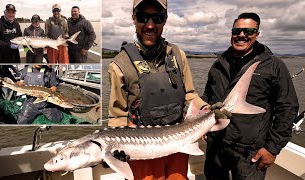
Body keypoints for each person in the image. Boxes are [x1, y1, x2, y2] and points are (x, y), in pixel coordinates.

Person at [108, 0, 209, 179]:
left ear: (165, 20)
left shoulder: (178, 55)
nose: (150, 25)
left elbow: (190, 94)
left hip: (179, 140)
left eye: (157, 18)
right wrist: (115, 150)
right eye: (143, 17)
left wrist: (206, 110)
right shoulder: (119, 65)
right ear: (133, 18)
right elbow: (118, 115)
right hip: (141, 150)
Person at [202, 12, 299, 180]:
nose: (241, 35)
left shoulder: (273, 66)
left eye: (248, 31)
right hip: (216, 146)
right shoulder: (218, 64)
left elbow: (287, 108)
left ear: (257, 34)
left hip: (249, 153)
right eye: (236, 31)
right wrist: (203, 119)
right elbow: (208, 96)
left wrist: (272, 149)